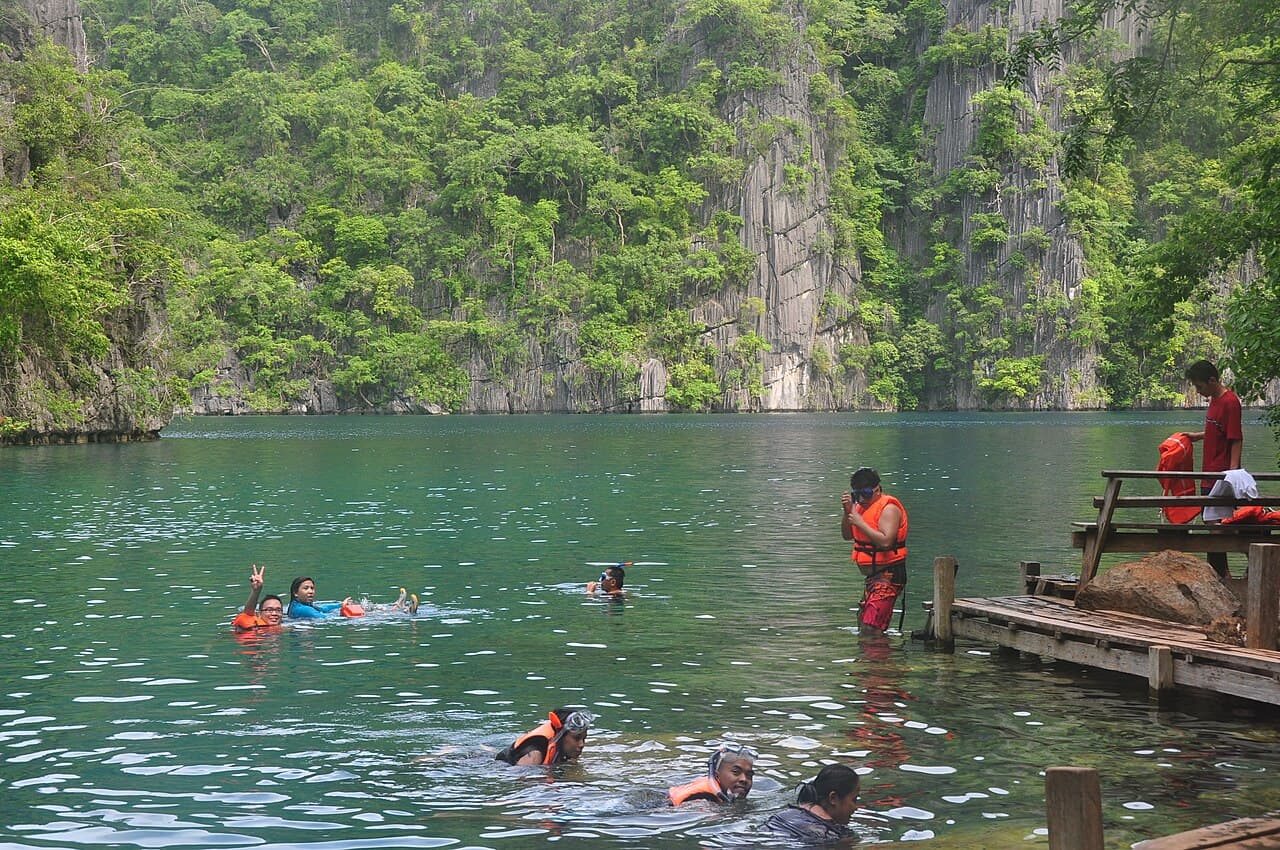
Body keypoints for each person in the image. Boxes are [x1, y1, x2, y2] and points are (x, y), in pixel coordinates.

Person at [1181, 359, 1243, 578]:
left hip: (1221, 473)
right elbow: (1219, 430)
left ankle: (1221, 574)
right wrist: (1198, 436)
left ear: (1212, 380)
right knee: (1211, 521)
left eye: (1200, 386)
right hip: (1209, 472)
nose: (1198, 391)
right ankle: (1219, 573)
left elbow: (1235, 438)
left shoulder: (1230, 402)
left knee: (1217, 523)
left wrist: (1232, 473)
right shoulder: (1214, 401)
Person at [841, 467, 908, 635]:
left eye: (867, 493)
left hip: (889, 575)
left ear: (877, 490)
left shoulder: (889, 508)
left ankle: (879, 660)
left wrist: (860, 522)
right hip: (872, 578)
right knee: (865, 626)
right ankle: (870, 660)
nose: (862, 499)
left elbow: (886, 542)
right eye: (858, 495)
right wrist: (847, 511)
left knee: (872, 629)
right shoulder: (860, 509)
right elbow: (847, 535)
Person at [763, 764, 860, 842]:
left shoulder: (783, 815)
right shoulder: (831, 836)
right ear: (833, 798)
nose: (856, 807)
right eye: (854, 800)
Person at [495, 708, 596, 766]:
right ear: (560, 735)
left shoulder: (563, 747)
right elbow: (520, 784)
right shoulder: (534, 755)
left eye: (584, 738)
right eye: (576, 738)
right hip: (499, 766)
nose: (582, 744)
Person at [668, 743, 756, 805]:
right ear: (717, 775)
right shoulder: (702, 799)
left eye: (749, 775)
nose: (744, 779)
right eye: (736, 772)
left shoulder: (720, 794)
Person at [232, 564, 284, 632]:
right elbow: (248, 614)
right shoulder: (254, 627)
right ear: (259, 614)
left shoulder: (285, 629)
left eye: (278, 610)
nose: (274, 613)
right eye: (269, 610)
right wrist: (256, 591)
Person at [287, 576, 356, 619]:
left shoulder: (297, 605)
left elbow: (323, 608)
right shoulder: (304, 609)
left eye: (312, 588)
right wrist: (343, 613)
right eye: (306, 588)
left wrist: (340, 605)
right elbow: (326, 618)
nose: (310, 591)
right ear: (295, 593)